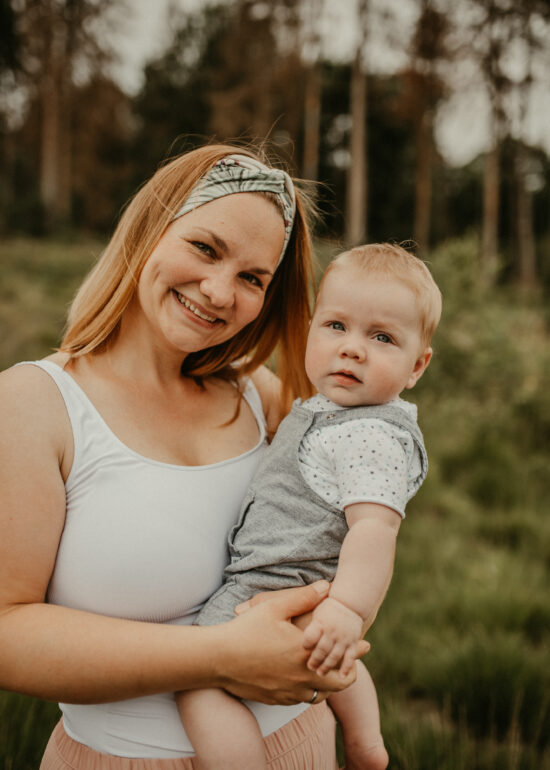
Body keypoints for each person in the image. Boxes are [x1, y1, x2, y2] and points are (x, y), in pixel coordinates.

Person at [0, 145, 368, 770]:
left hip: (299, 742)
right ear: (151, 229)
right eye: (205, 248)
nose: (220, 292)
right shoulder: (34, 404)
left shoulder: (263, 397)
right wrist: (222, 656)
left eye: (253, 278)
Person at [175, 242, 442, 770]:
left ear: (417, 366)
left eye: (382, 337)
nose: (352, 349)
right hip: (302, 588)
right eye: (336, 326)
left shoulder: (369, 434)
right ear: (312, 326)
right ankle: (366, 745)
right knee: (331, 654)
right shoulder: (328, 410)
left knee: (198, 681)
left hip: (274, 584)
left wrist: (346, 608)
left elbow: (374, 530)